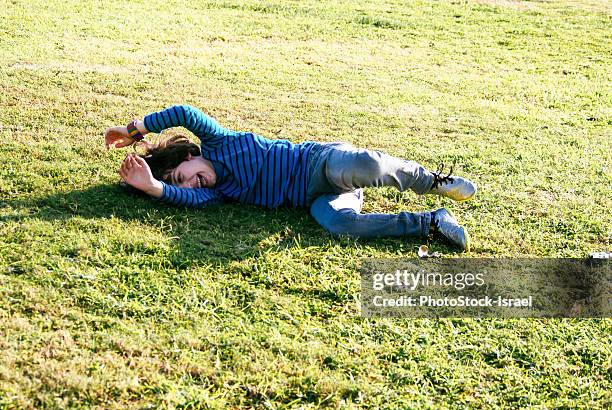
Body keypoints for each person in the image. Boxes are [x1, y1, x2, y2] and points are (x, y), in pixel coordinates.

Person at [105, 105, 476, 251]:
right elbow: (185, 198)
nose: (190, 185)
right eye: (178, 186)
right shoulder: (219, 193)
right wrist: (155, 188)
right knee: (335, 223)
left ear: (189, 156)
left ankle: (433, 182)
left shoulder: (218, 142)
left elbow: (185, 111)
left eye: (181, 176)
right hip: (320, 197)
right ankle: (432, 223)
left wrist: (133, 130)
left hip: (320, 163)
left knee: (368, 166)